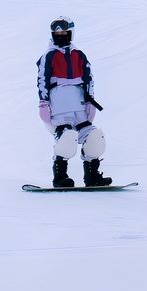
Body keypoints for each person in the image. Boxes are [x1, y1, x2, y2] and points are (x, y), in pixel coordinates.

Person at [36, 16, 112, 188]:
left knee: (94, 137)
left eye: (64, 32)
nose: (61, 35)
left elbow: (89, 79)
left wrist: (90, 102)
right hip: (59, 107)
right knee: (67, 138)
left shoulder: (79, 55)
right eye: (57, 33)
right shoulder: (48, 56)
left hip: (79, 106)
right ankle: (60, 177)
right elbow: (42, 80)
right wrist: (43, 102)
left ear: (71, 33)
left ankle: (92, 176)